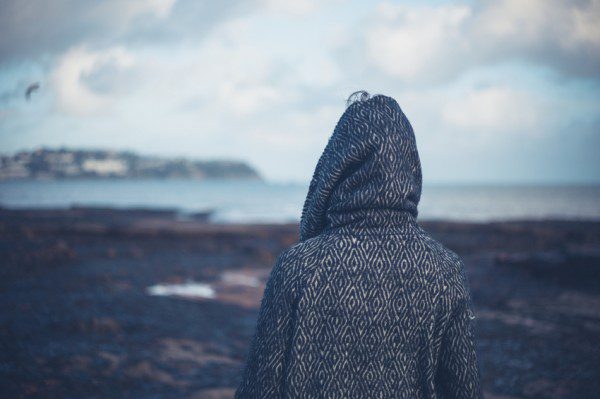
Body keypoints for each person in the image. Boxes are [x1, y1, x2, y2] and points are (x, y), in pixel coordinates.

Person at [236, 92, 482, 398]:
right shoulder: (445, 270)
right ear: (409, 164)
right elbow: (465, 391)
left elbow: (259, 389)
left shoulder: (297, 268)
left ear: (336, 165)